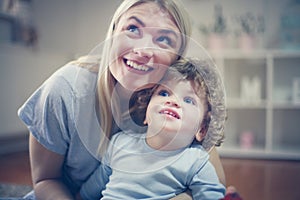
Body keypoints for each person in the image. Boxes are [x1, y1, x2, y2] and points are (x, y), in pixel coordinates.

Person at [18, 0, 226, 199]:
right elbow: (45, 180)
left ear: (176, 59)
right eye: (133, 28)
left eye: (163, 39)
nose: (143, 51)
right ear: (113, 33)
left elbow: (216, 181)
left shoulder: (174, 97)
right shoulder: (65, 91)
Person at [80, 57, 227, 199]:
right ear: (146, 114)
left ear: (201, 130)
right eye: (164, 93)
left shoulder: (196, 162)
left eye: (188, 100)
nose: (173, 101)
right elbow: (89, 191)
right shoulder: (119, 143)